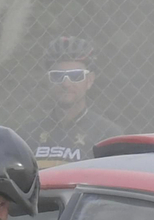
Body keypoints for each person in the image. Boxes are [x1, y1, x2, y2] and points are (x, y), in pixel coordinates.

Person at [30, 36, 122, 168]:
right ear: (48, 80)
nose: (66, 83)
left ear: (89, 80)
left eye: (75, 76)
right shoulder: (27, 135)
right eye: (57, 75)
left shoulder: (109, 135)